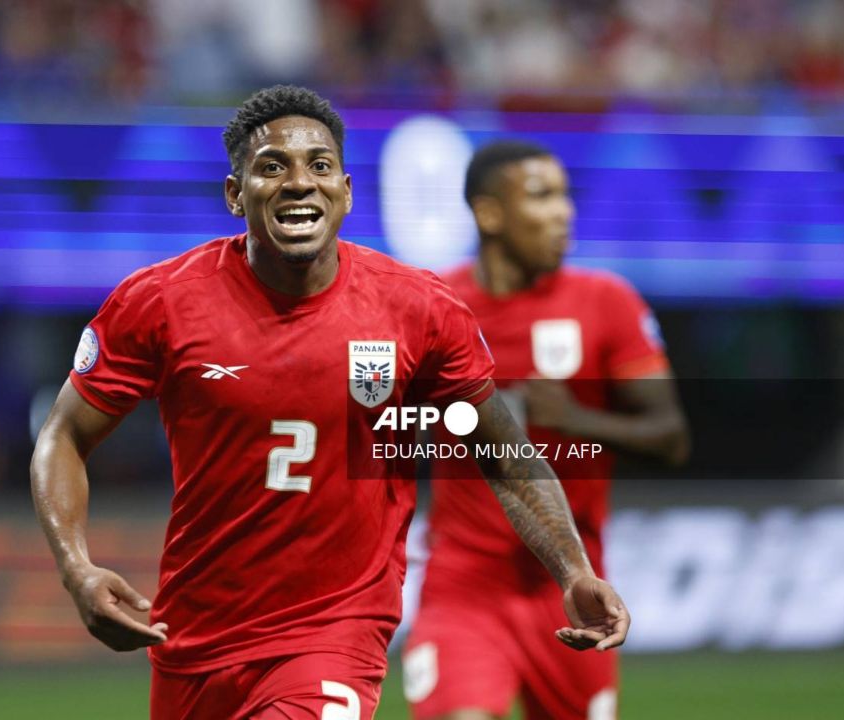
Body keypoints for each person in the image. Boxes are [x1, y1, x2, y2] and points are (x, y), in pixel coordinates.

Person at [31, 86, 630, 720]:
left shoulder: (418, 310)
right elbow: (64, 434)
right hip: (195, 640)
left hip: (336, 634)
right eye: (272, 167)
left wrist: (573, 570)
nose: (299, 183)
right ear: (235, 194)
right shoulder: (161, 303)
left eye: (319, 166)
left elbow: (506, 456)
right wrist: (76, 567)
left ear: (344, 190)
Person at [404, 140, 690, 720]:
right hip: (465, 585)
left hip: (573, 590)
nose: (564, 211)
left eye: (564, 195)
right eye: (541, 196)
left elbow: (670, 437)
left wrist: (575, 419)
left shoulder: (605, 302)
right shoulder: (435, 304)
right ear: (489, 214)